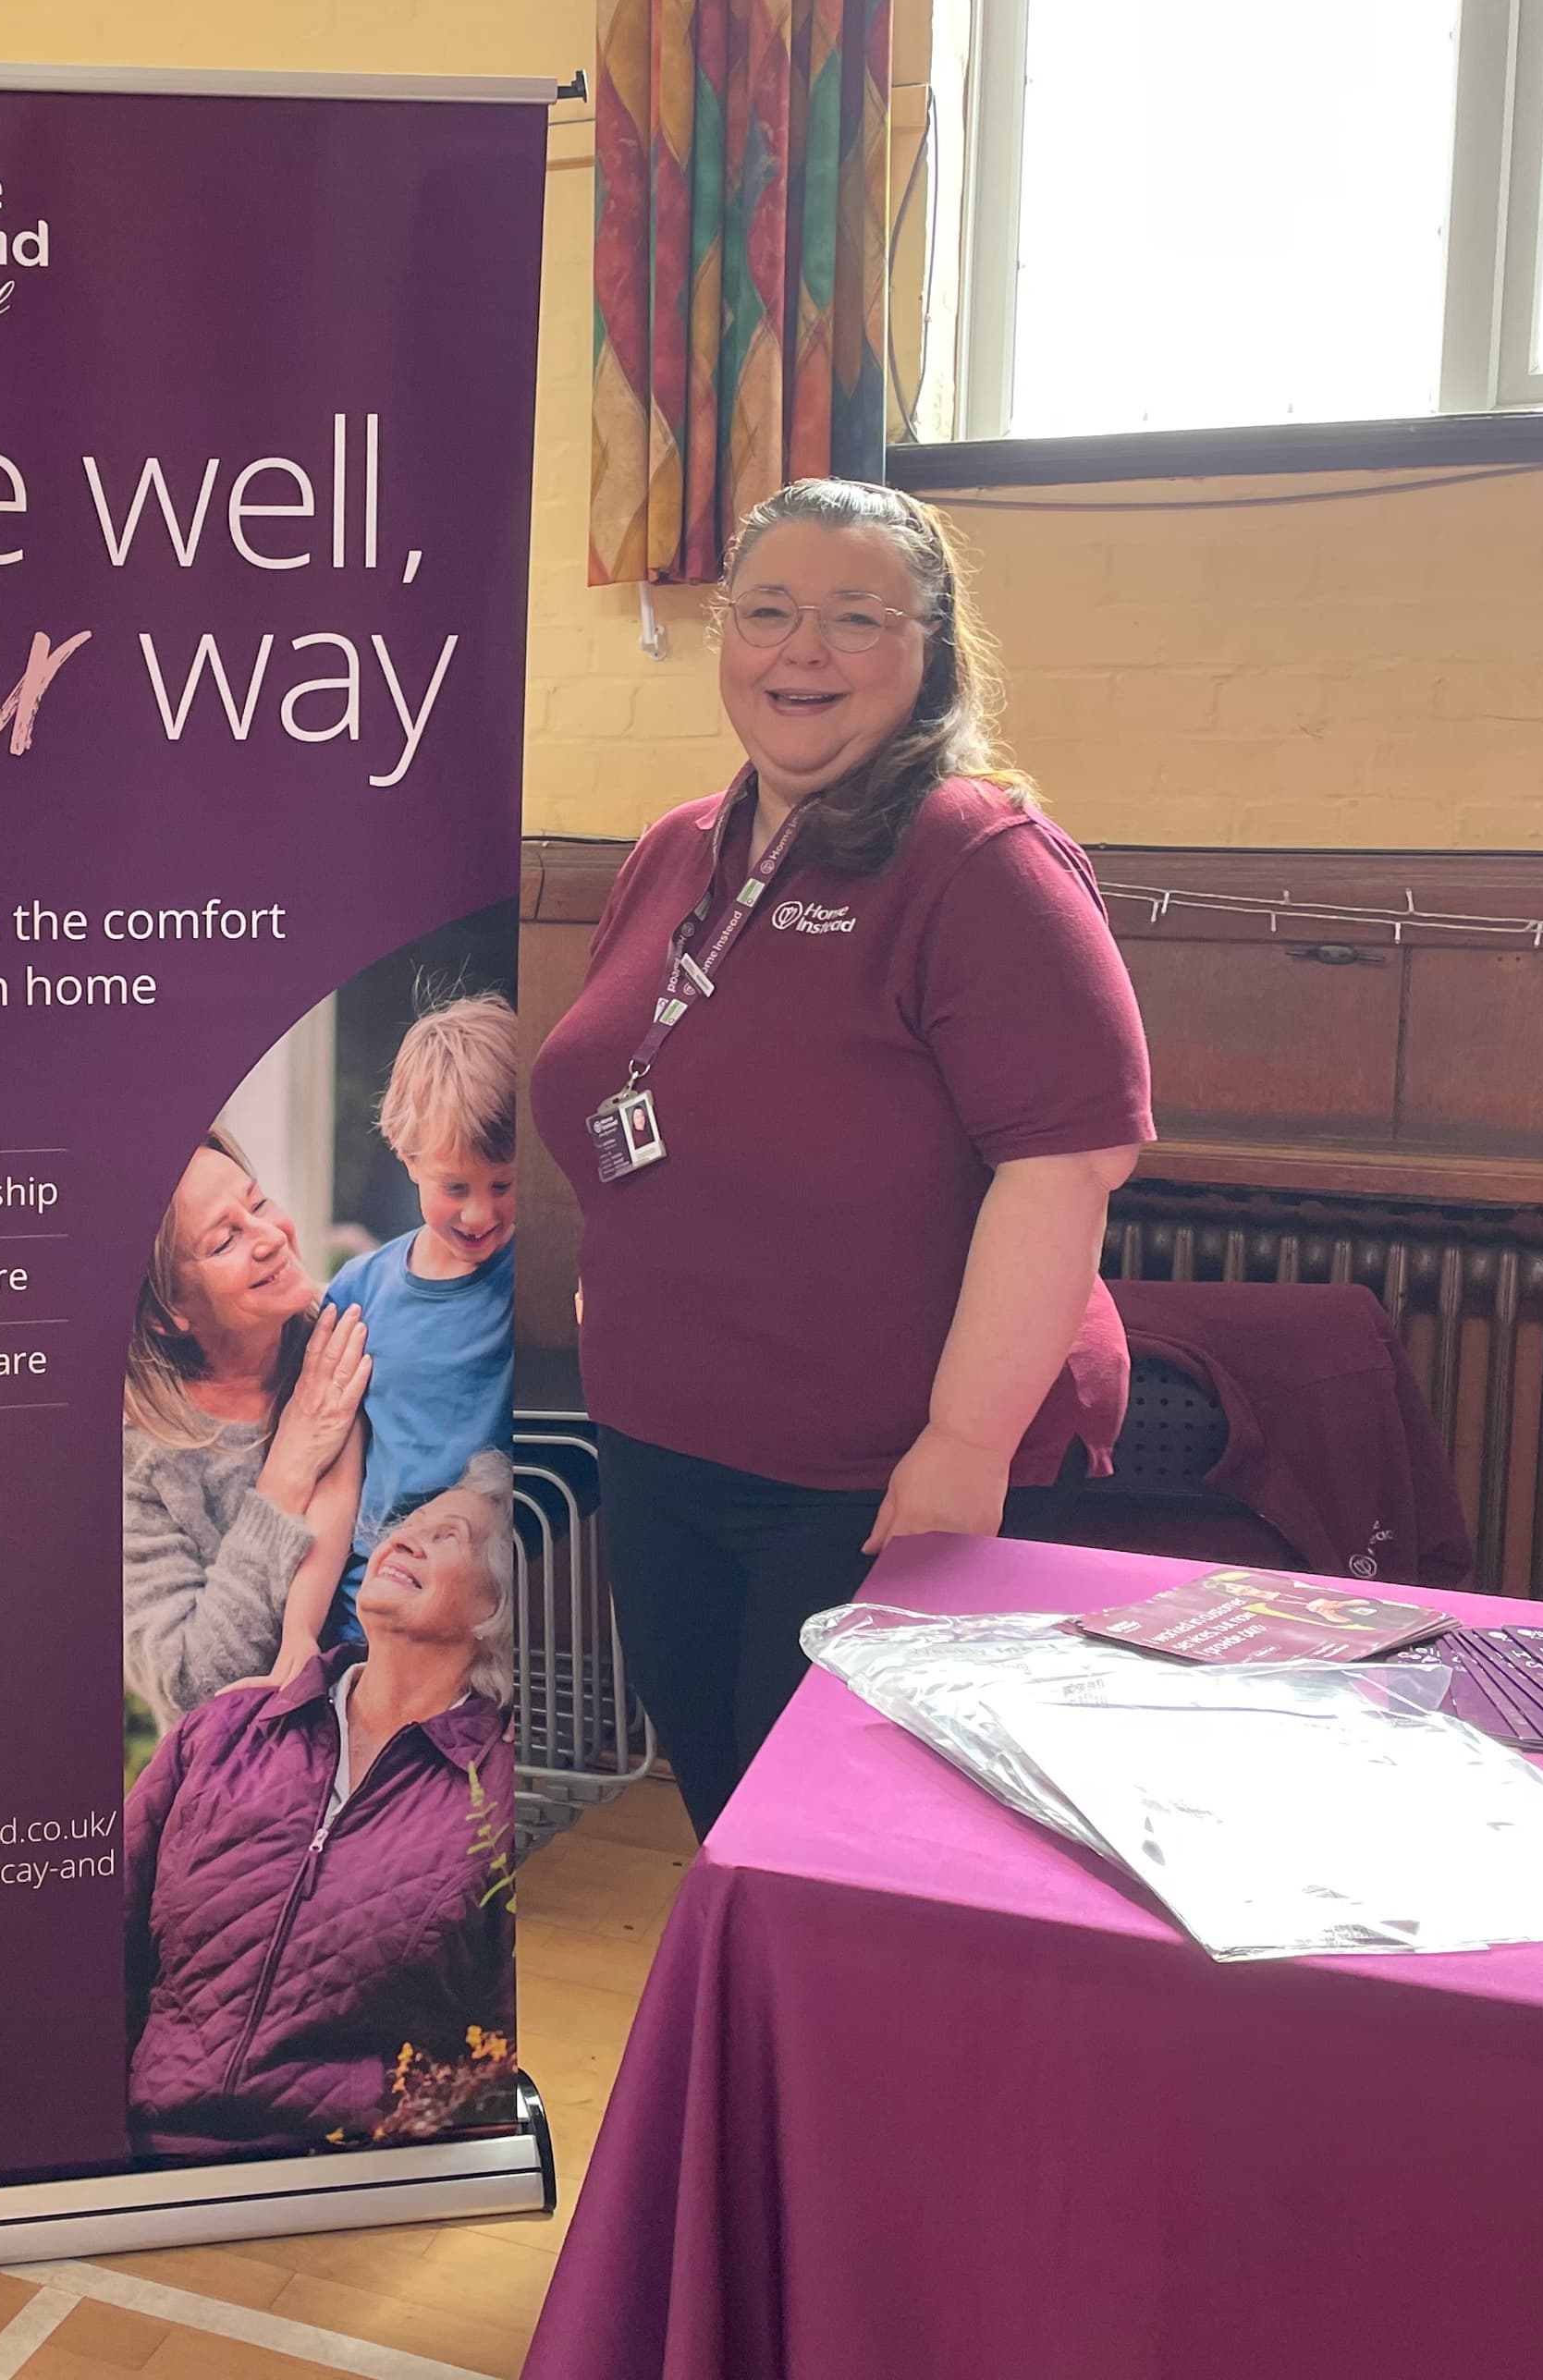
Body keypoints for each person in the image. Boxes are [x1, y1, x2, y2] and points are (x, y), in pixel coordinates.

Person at [530, 477, 1152, 1838]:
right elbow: (627, 1082)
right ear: (722, 642)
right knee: (731, 1835)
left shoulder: (977, 858)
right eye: (767, 612)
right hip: (660, 1443)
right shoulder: (678, 848)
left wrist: (964, 1445)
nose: (801, 650)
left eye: (856, 617)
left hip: (877, 1479)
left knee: (829, 1862)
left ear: (929, 650)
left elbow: (1069, 1166)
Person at [123, 1463, 519, 2155]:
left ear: (497, 1613)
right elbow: (97, 1940)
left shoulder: (497, 1794)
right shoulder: (224, 1730)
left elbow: (496, 2049)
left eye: (450, 1537)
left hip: (346, 2182)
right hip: (143, 2158)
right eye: (406, 1529)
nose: (407, 1542)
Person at [121, 1128, 371, 1726]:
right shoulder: (137, 1455)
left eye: (257, 1204)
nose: (269, 1237)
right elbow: (191, 1686)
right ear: (165, 1312)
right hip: (254, 1779)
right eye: (224, 1240)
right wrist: (287, 1469)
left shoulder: (355, 1340)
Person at [322, 993, 517, 1629]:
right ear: (408, 1157)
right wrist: (300, 1631)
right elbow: (333, 1475)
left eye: (503, 1185)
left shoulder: (533, 1281)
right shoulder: (359, 1293)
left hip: (485, 1613)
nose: (480, 1214)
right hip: (366, 1611)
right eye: (455, 1187)